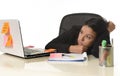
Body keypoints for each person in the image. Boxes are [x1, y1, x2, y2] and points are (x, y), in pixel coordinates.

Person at [45, 18, 115, 58]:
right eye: (81, 32)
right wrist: (70, 48)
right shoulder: (74, 31)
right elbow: (49, 46)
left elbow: (98, 54)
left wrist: (106, 31)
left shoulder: (100, 38)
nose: (81, 39)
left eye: (88, 37)